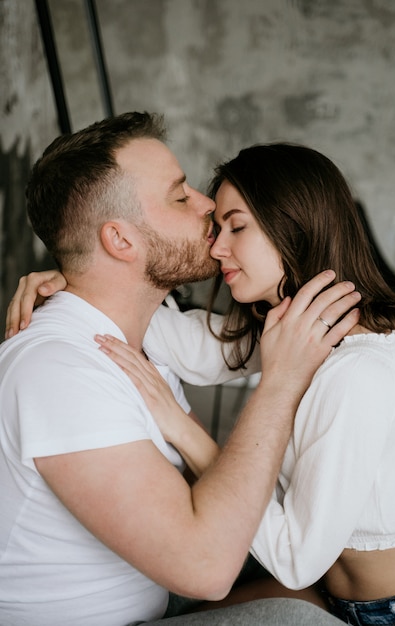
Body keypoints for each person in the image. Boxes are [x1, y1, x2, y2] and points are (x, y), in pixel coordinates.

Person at [0, 112, 360, 626]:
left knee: (321, 589)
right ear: (120, 241)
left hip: (155, 593)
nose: (207, 203)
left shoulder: (133, 338)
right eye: (179, 195)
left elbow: (211, 499)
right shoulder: (60, 370)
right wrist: (280, 384)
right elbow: (207, 568)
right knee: (297, 618)